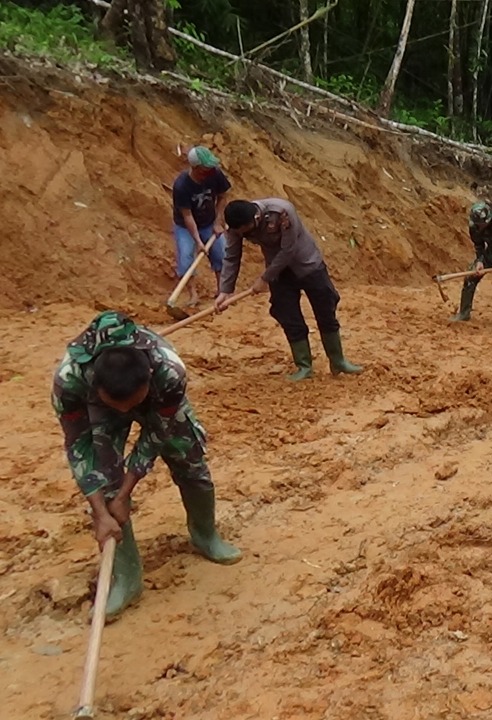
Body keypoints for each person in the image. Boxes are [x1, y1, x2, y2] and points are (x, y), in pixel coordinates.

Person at [52, 312, 241, 619]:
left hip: (159, 405)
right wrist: (102, 511)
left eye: (132, 403)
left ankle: (205, 535)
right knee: (106, 478)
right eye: (120, 405)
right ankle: (126, 578)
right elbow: (78, 445)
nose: (127, 411)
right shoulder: (70, 381)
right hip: (100, 411)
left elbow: (156, 433)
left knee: (187, 455)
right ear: (95, 386)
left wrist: (126, 493)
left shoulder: (169, 372)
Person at [215, 198, 363, 381]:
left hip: (308, 264)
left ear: (256, 217)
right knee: (288, 315)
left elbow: (288, 250)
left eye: (247, 231)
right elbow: (231, 256)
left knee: (325, 309)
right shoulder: (236, 227)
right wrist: (225, 290)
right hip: (280, 274)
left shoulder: (282, 212)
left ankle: (338, 361)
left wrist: (264, 278)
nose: (245, 235)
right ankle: (304, 366)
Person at [170, 146, 230, 308]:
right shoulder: (182, 186)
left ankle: (222, 291)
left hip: (210, 221)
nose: (210, 171)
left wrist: (218, 221)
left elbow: (223, 196)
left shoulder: (215, 174)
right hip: (185, 226)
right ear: (196, 168)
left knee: (220, 254)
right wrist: (197, 241)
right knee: (185, 258)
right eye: (206, 169)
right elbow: (187, 215)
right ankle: (193, 295)